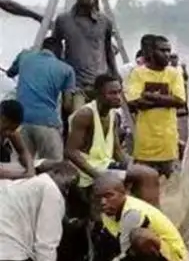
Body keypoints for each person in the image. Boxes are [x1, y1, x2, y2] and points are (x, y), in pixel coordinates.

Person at [73, 174, 188, 261]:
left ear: (124, 193)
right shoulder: (108, 213)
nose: (103, 202)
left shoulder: (133, 213)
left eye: (109, 196)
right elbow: (103, 253)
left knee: (139, 237)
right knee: (112, 251)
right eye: (98, 198)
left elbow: (121, 252)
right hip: (139, 254)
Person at [66, 74, 160, 210]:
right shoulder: (85, 115)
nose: (118, 97)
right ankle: (150, 217)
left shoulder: (113, 116)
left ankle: (145, 214)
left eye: (119, 92)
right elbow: (70, 151)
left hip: (105, 165)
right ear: (99, 94)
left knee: (148, 172)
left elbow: (117, 151)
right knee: (146, 174)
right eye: (112, 93)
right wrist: (97, 176)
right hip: (87, 170)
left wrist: (130, 164)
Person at [51, 0, 119, 109]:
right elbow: (56, 47)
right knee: (77, 118)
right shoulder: (63, 20)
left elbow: (108, 50)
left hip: (100, 82)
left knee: (103, 121)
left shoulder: (104, 21)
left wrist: (115, 73)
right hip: (76, 84)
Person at [125, 35, 186, 177]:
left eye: (168, 51)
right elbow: (134, 102)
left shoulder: (174, 73)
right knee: (142, 180)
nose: (167, 54)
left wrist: (151, 96)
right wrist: (167, 100)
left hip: (167, 141)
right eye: (162, 50)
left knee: (168, 178)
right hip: (145, 142)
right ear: (151, 52)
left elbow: (180, 101)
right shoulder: (138, 73)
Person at [6, 36, 76, 160]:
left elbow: (10, 73)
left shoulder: (24, 55)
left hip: (21, 122)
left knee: (20, 168)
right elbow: (67, 106)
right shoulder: (67, 69)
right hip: (48, 123)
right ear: (60, 52)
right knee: (54, 170)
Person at [0, 99, 35, 179]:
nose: (8, 133)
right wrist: (23, 175)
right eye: (6, 128)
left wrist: (30, 169)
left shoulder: (12, 132)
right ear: (2, 118)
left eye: (13, 129)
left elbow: (24, 151)